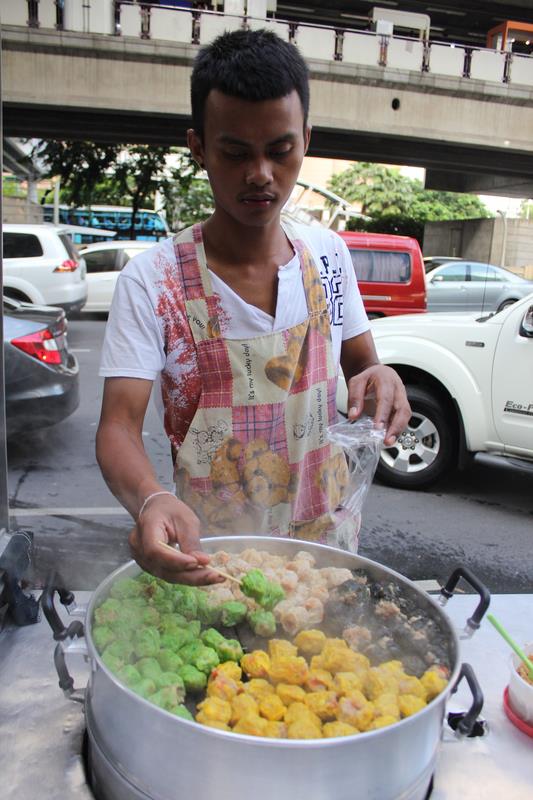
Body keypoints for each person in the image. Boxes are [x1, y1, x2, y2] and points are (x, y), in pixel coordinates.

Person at [96, 29, 410, 586]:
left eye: (280, 150)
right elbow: (118, 426)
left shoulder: (328, 257)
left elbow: (362, 365)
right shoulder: (155, 282)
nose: (260, 174)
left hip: (324, 550)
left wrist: (380, 378)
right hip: (213, 555)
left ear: (306, 139)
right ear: (198, 147)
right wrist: (149, 501)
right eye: (236, 152)